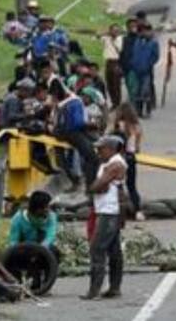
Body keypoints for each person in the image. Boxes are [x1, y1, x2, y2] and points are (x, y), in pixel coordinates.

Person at [84, 136, 127, 300]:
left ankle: (94, 290)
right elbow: (100, 186)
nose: (98, 152)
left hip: (109, 212)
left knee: (97, 248)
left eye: (101, 149)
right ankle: (114, 288)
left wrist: (94, 187)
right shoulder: (109, 164)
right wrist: (98, 187)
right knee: (114, 250)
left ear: (111, 149)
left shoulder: (115, 164)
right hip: (108, 210)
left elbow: (98, 185)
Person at [2, 191, 60, 295]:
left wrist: (41, 248)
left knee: (54, 251)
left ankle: (47, 283)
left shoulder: (51, 217)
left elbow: (50, 235)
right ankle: (17, 284)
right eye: (45, 207)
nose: (48, 209)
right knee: (10, 255)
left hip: (43, 251)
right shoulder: (19, 219)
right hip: (24, 251)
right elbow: (13, 241)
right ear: (38, 209)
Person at [53, 78, 97, 192]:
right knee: (91, 157)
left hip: (61, 133)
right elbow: (77, 123)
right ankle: (90, 186)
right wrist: (89, 124)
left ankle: (80, 182)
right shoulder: (75, 103)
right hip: (72, 133)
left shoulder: (61, 104)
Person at [112, 103, 144, 219]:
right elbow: (137, 148)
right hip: (131, 157)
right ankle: (138, 211)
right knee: (132, 186)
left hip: (120, 157)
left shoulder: (119, 125)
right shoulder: (137, 127)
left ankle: (118, 210)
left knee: (117, 184)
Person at [127, 23, 159, 112]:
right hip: (136, 70)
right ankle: (139, 110)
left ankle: (148, 109)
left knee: (145, 90)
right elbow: (133, 54)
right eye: (142, 31)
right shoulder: (137, 42)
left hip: (146, 70)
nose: (145, 33)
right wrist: (133, 63)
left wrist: (149, 64)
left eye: (146, 31)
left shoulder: (153, 43)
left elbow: (155, 56)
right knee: (137, 90)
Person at [101, 24, 124, 107]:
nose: (115, 32)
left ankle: (118, 102)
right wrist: (107, 34)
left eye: (117, 30)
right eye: (113, 30)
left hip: (116, 62)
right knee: (109, 83)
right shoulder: (106, 38)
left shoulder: (120, 39)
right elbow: (97, 35)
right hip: (108, 62)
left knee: (116, 84)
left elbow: (120, 50)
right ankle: (113, 102)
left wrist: (113, 40)